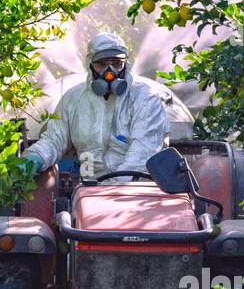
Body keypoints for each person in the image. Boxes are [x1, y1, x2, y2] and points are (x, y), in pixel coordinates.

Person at [20, 32, 171, 182]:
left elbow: (142, 155)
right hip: (90, 189)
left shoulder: (145, 99)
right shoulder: (74, 99)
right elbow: (54, 139)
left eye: (116, 64)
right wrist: (35, 158)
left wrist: (114, 190)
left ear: (126, 64)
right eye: (102, 64)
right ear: (90, 64)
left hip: (137, 191)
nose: (110, 72)